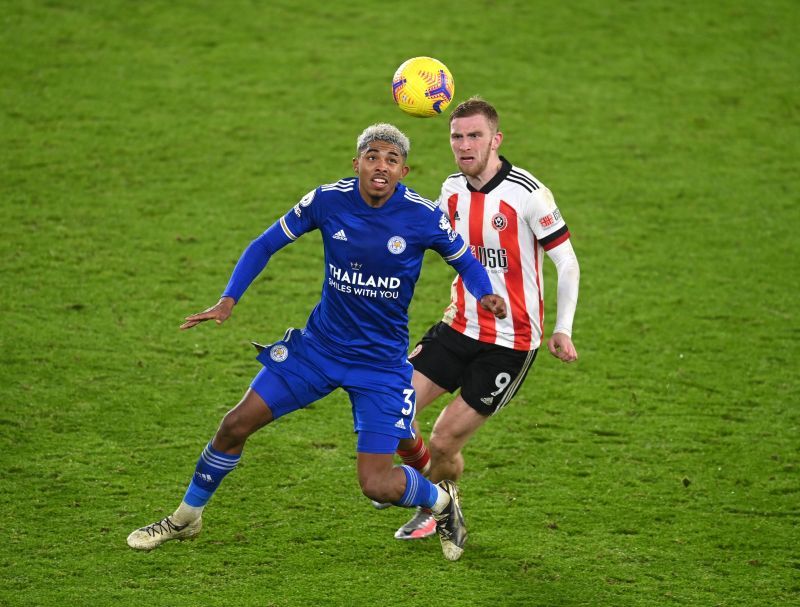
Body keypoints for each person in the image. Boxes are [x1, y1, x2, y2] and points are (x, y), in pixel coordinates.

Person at [126, 123, 507, 562]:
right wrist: (228, 299)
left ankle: (442, 504)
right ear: (357, 163)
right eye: (372, 156)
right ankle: (185, 518)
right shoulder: (327, 201)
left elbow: (466, 262)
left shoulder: (423, 216)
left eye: (391, 160)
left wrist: (486, 295)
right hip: (319, 350)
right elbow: (264, 244)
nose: (381, 166)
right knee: (234, 424)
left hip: (380, 367)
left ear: (405, 170)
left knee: (377, 484)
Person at [386, 98, 580, 541]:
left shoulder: (529, 195)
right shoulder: (451, 189)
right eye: (457, 136)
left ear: (496, 140)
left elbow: (566, 262)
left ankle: (436, 506)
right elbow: (426, 236)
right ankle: (426, 495)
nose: (465, 145)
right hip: (458, 325)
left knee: (443, 442)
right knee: (392, 406)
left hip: (510, 344)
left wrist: (562, 328)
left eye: (475, 135)